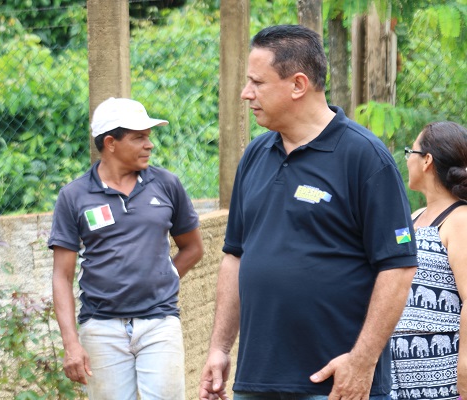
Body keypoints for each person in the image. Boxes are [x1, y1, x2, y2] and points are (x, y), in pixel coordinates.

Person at [199, 24, 418, 400]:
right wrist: (219, 348)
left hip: (335, 382)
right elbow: (235, 256)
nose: (246, 93)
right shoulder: (255, 155)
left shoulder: (364, 157)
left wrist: (361, 362)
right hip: (257, 381)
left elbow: (397, 267)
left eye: (257, 82)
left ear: (298, 85)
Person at [49, 97, 204, 400]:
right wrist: (71, 343)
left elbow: (193, 248)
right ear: (110, 143)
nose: (150, 145)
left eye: (149, 136)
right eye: (139, 137)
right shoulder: (74, 196)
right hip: (101, 328)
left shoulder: (166, 185)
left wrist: (163, 277)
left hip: (159, 321)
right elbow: (61, 276)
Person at [390, 121, 467, 400]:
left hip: (442, 373)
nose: (407, 159)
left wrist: (465, 367)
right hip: (397, 375)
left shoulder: (460, 220)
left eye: (410, 151)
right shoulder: (412, 219)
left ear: (427, 161)